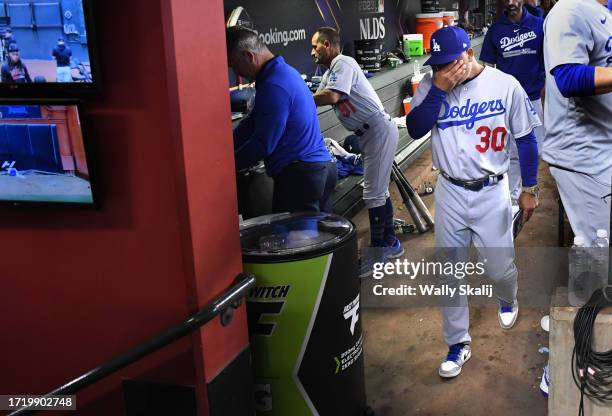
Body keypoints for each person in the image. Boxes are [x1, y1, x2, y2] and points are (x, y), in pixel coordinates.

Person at [406, 26, 540, 378]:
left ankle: (508, 296)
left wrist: (530, 188)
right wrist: (438, 90)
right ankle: (457, 343)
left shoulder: (504, 85)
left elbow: (526, 140)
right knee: (449, 273)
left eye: (448, 64)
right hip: (449, 192)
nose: (442, 71)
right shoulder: (432, 87)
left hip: (492, 190)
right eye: (437, 65)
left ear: (468, 55)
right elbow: (416, 127)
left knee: (499, 269)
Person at [310, 27, 403, 276]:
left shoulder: (344, 63)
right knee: (378, 192)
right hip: (370, 133)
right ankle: (391, 243)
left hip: (377, 130)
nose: (312, 52)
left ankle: (379, 252)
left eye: (315, 46)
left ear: (328, 45)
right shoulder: (330, 71)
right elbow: (325, 93)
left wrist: (302, 96)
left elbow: (331, 96)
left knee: (373, 194)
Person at [227, 26, 336, 214]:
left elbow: (263, 143)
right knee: (319, 239)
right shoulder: (284, 72)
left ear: (248, 56)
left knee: (297, 241)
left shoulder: (273, 85)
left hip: (302, 177)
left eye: (235, 65)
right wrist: (226, 147)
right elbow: (252, 121)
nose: (237, 73)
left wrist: (227, 165)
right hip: (319, 169)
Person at [542, 0, 612, 242]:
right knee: (596, 252)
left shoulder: (604, 11)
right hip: (583, 155)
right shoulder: (569, 9)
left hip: (602, 144)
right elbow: (569, 78)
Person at [480, 0, 545, 215]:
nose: (510, 2)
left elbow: (549, 63)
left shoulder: (538, 25)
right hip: (507, 101)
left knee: (536, 149)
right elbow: (487, 68)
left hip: (534, 98)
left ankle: (527, 188)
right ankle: (511, 198)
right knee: (512, 151)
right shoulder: (496, 31)